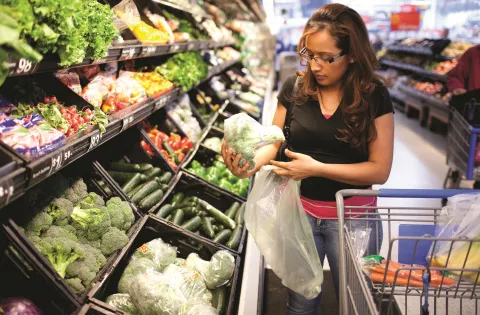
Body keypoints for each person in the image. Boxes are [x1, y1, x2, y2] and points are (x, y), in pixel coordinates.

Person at [221, 3, 394, 314]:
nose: (315, 65)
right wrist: (249, 165)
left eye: (327, 58)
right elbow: (274, 142)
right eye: (310, 55)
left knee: (355, 303)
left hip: (355, 223)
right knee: (300, 303)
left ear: (352, 54)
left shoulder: (374, 95)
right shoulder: (295, 88)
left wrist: (317, 169)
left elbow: (379, 170)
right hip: (300, 217)